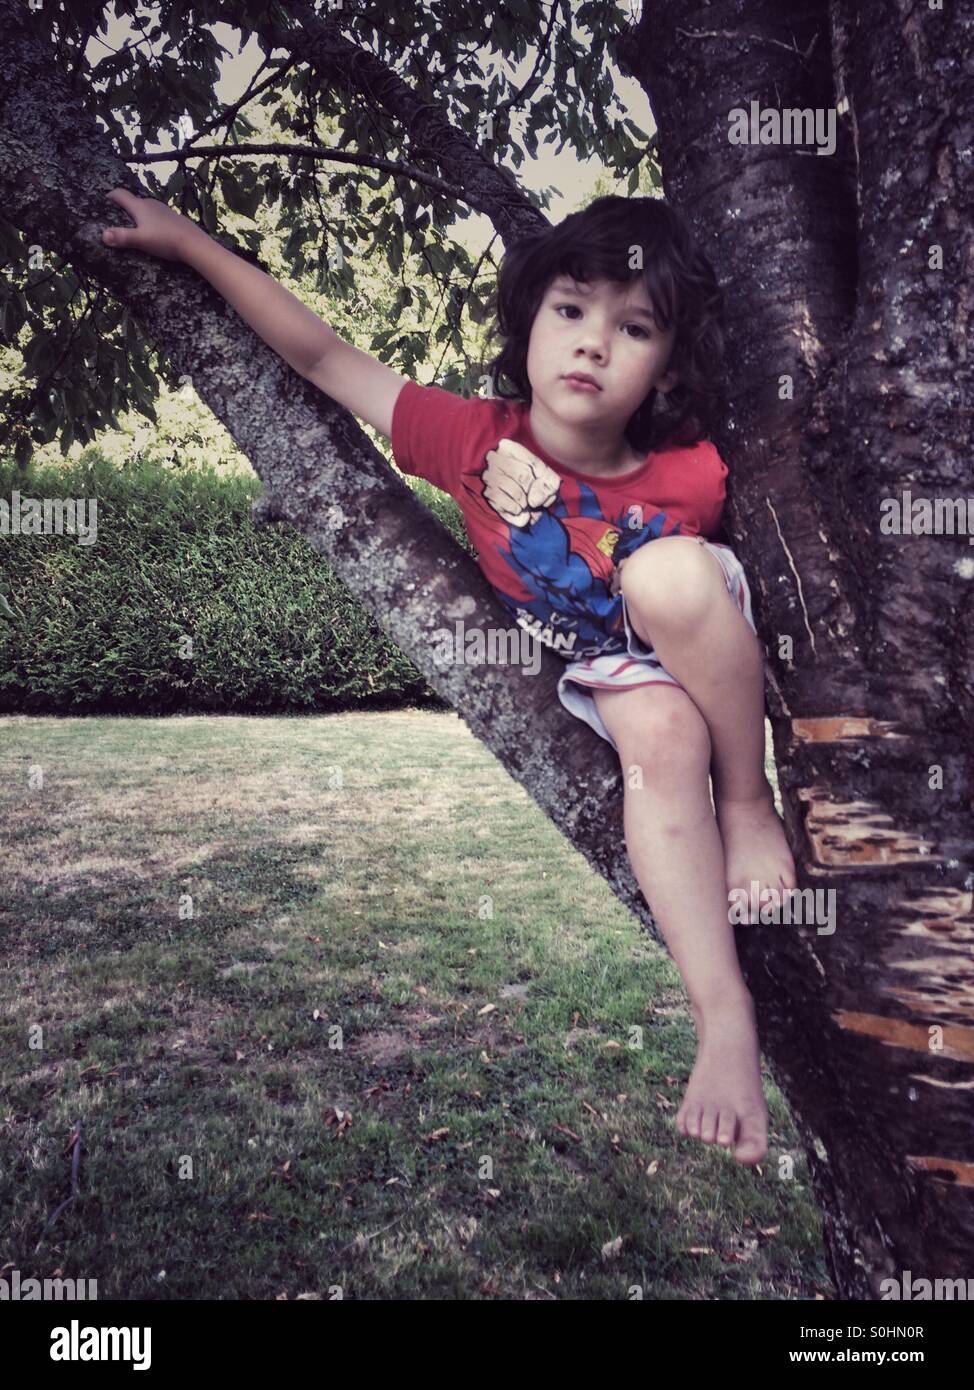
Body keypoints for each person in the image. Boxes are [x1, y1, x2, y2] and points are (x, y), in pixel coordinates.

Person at [101, 188, 796, 1165]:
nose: (591, 344)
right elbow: (322, 356)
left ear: (666, 365)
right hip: (610, 671)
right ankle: (720, 1013)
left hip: (689, 616)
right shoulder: (471, 439)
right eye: (569, 310)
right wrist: (186, 242)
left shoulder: (693, 477)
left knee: (665, 573)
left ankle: (746, 802)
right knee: (657, 743)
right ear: (527, 323)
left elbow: (721, 606)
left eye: (630, 327)